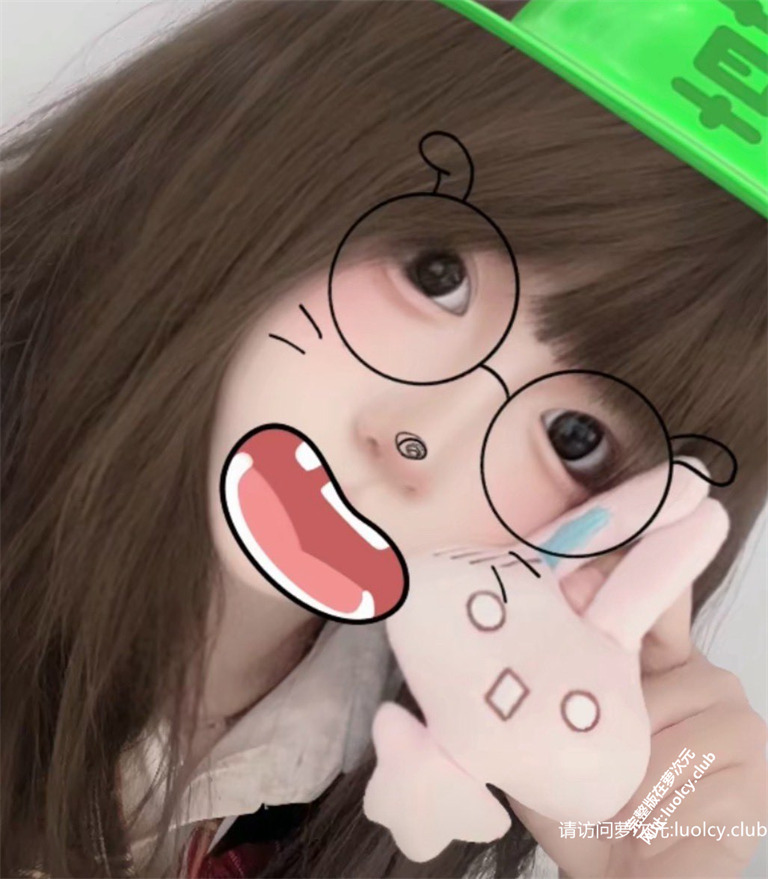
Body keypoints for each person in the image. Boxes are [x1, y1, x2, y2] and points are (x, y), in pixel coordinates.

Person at [1, 1, 766, 877]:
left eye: (575, 435)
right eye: (436, 276)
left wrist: (648, 859)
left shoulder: (405, 772)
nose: (417, 439)